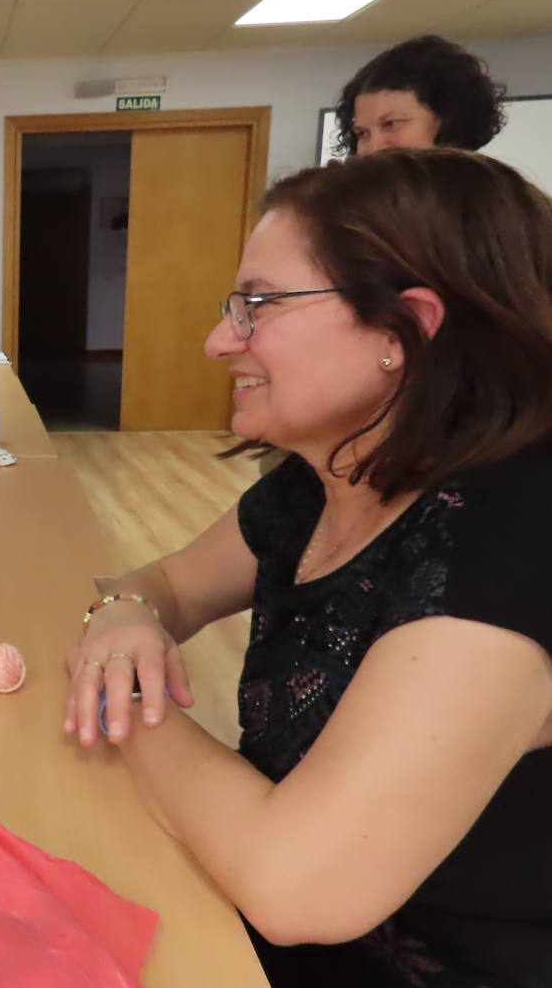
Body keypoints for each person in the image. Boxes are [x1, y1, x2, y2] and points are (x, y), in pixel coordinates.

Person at [64, 150, 552, 987]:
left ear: (410, 327)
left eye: (259, 305)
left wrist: (122, 691)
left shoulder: (509, 542)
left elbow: (296, 886)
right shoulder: (321, 479)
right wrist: (120, 617)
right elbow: (169, 583)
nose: (221, 340)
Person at [335, 34, 505, 156]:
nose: (374, 148)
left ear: (450, 121)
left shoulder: (496, 202)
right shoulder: (357, 203)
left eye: (391, 124)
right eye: (363, 134)